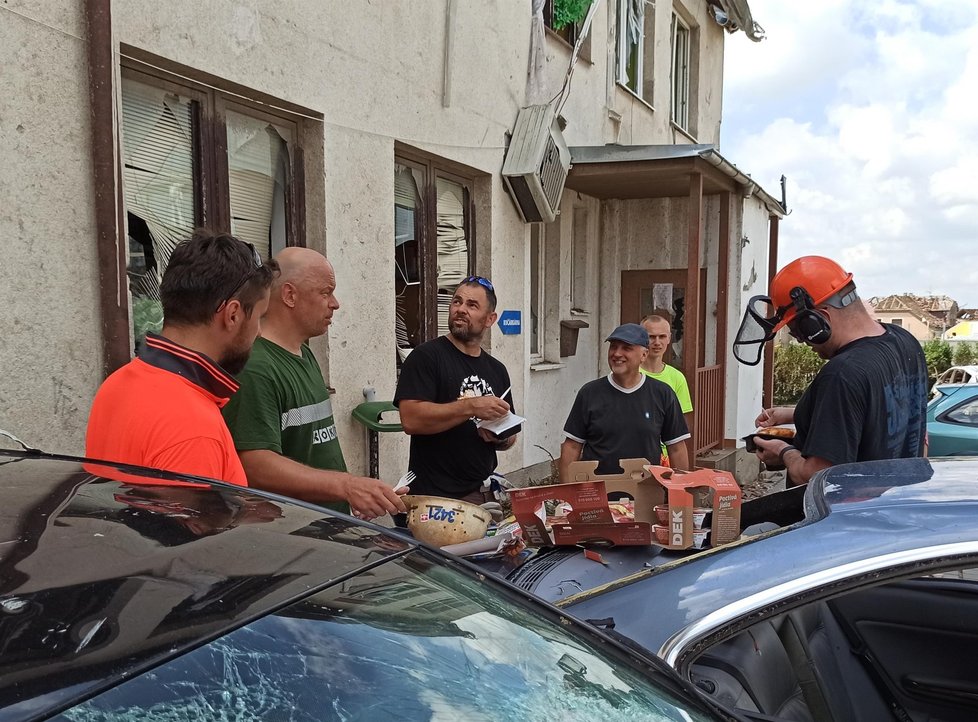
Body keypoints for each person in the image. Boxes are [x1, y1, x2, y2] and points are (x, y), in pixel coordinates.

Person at [222, 247, 407, 520]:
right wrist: (345, 486)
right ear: (289, 295)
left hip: (325, 527)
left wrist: (349, 497)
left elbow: (314, 448)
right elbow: (254, 464)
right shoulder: (256, 368)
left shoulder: (304, 353)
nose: (335, 303)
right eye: (325, 292)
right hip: (292, 537)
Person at [86, 230, 277, 484]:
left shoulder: (118, 382)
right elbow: (193, 525)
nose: (260, 333)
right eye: (259, 317)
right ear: (233, 315)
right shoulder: (195, 430)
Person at [736, 255, 928, 486]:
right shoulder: (906, 342)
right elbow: (880, 412)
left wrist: (784, 452)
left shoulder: (842, 373)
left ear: (817, 322)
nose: (800, 341)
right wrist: (794, 414)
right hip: (901, 505)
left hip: (851, 517)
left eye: (798, 331)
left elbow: (818, 477)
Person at [394, 275, 517, 504]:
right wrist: (471, 406)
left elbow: (511, 436)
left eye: (472, 305)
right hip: (435, 498)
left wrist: (498, 437)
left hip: (483, 494)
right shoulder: (426, 357)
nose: (461, 309)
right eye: (457, 301)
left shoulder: (497, 370)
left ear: (490, 319)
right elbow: (411, 420)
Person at [559, 323, 690, 480]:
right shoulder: (590, 393)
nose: (617, 354)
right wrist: (567, 492)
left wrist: (680, 494)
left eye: (626, 348)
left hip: (646, 492)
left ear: (644, 355)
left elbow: (676, 448)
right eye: (613, 347)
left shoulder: (662, 394)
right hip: (597, 493)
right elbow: (572, 446)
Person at [640, 314, 693, 465]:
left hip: (667, 458)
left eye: (662, 336)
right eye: (651, 337)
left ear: (669, 338)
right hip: (635, 456)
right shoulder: (628, 374)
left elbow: (683, 424)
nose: (657, 342)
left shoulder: (677, 378)